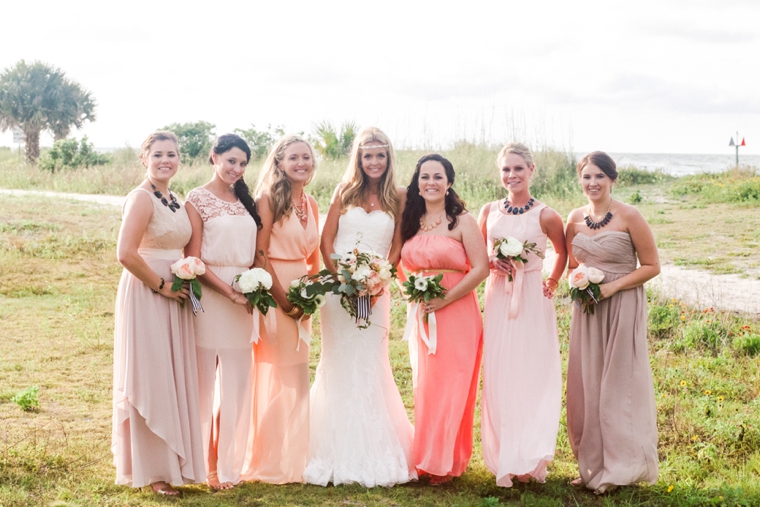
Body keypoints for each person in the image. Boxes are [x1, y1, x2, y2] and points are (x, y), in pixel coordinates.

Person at [304, 127, 415, 487]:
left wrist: (377, 280)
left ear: (388, 158)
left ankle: (374, 447)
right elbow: (326, 241)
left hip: (376, 292)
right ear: (359, 158)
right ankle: (331, 448)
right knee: (337, 361)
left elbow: (397, 245)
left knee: (370, 362)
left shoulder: (399, 196)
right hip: (340, 292)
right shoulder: (344, 192)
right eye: (367, 156)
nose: (374, 162)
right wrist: (344, 280)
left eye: (380, 155)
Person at [112, 131, 205, 497]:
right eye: (158, 154)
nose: (166, 160)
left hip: (176, 292)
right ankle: (153, 471)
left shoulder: (172, 198)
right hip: (148, 292)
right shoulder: (140, 199)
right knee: (151, 375)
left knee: (170, 373)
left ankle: (174, 462)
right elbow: (126, 253)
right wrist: (161, 285)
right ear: (144, 158)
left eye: (172, 154)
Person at [565, 150, 660, 494]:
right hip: (587, 310)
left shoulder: (629, 216)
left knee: (618, 385)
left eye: (599, 177)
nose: (593, 183)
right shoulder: (574, 218)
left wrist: (611, 287)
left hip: (622, 304)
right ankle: (591, 464)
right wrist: (579, 282)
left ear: (612, 179)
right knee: (587, 383)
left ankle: (620, 467)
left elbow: (651, 266)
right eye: (587, 176)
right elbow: (571, 264)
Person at [477, 143, 566, 487]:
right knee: (500, 370)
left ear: (532, 170)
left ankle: (530, 454)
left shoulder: (546, 215)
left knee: (531, 370)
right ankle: (504, 454)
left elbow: (562, 251)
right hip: (499, 294)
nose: (511, 175)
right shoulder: (489, 212)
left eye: (518, 169)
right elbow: (479, 253)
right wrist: (490, 262)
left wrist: (553, 280)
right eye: (505, 170)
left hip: (530, 294)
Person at [399, 154, 488, 485]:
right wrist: (411, 290)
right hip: (423, 311)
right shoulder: (410, 221)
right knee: (427, 384)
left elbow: (481, 268)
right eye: (424, 176)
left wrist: (446, 298)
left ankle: (445, 461)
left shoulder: (462, 220)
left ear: (449, 182)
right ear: (417, 183)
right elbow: (399, 263)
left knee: (453, 384)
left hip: (458, 310)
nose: (431, 182)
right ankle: (425, 456)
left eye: (438, 176)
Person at [241, 135, 320, 484]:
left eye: (306, 157)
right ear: (280, 163)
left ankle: (290, 457)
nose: (300, 163)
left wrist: (312, 294)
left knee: (296, 377)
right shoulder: (268, 199)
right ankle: (266, 458)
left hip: (303, 292)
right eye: (293, 157)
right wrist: (284, 299)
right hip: (274, 291)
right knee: (279, 376)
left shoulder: (312, 203)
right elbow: (259, 254)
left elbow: (314, 256)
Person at [185, 134, 261, 490]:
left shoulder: (246, 200)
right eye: (231, 161)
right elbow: (195, 258)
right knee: (205, 384)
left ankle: (227, 463)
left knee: (236, 385)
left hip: (246, 298)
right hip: (213, 296)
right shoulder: (197, 199)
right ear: (213, 156)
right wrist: (230, 293)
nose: (236, 169)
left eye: (243, 163)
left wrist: (251, 289)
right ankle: (204, 466)